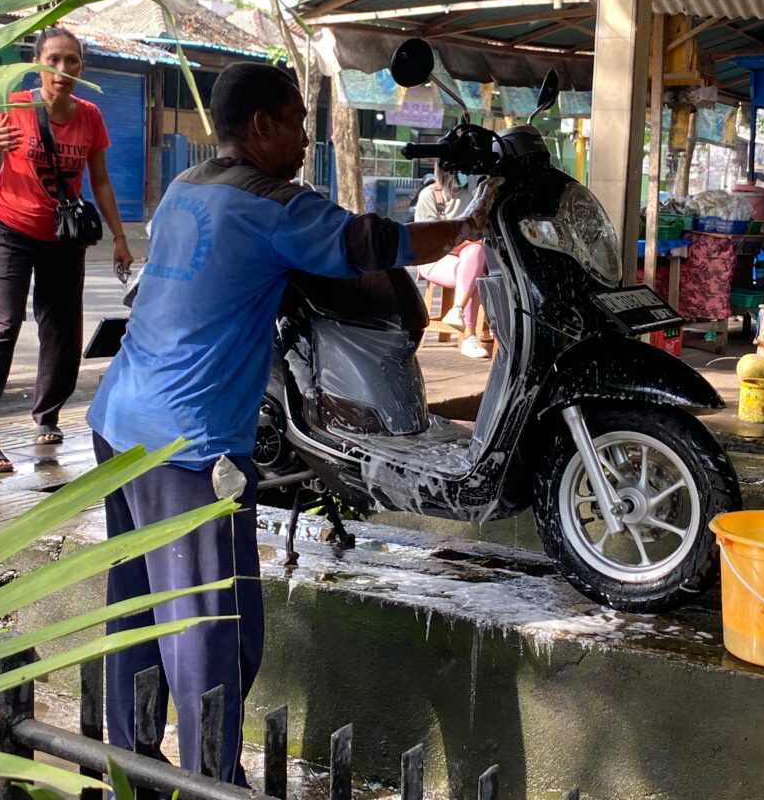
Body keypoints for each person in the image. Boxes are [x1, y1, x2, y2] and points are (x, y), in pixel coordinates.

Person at [85, 62, 498, 786]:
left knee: (139, 611)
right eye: (298, 122)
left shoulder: (186, 188)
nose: (307, 137)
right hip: (187, 445)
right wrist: (468, 227)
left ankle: (129, 763)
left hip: (118, 422)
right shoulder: (273, 206)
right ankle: (213, 781)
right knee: (208, 632)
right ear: (262, 126)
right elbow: (374, 245)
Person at [0, 27, 132, 473]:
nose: (62, 69)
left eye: (72, 61)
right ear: (37, 64)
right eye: (53, 60)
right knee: (1, 325)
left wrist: (119, 237)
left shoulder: (90, 116)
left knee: (61, 328)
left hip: (63, 234)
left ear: (82, 67)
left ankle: (48, 414)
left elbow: (99, 180)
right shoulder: (13, 107)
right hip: (11, 229)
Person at [414, 163, 490, 359]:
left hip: (467, 260)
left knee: (474, 254)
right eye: (455, 172)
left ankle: (457, 310)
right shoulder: (429, 196)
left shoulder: (474, 195)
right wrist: (462, 242)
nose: (461, 176)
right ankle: (468, 336)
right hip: (434, 259)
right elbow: (427, 240)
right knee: (474, 263)